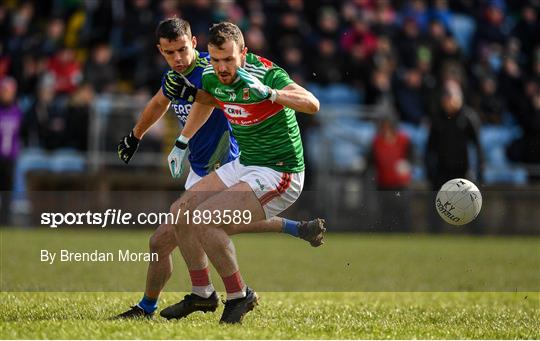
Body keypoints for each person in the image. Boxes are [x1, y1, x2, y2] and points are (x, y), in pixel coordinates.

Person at [115, 18, 325, 320]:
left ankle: (239, 295)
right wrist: (181, 140)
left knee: (206, 223)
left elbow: (312, 103)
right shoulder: (211, 75)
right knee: (181, 214)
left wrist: (270, 93)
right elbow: (210, 100)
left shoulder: (267, 73)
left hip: (279, 171)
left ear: (243, 52)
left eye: (228, 59)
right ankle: (202, 294)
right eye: (216, 60)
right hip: (245, 164)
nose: (222, 67)